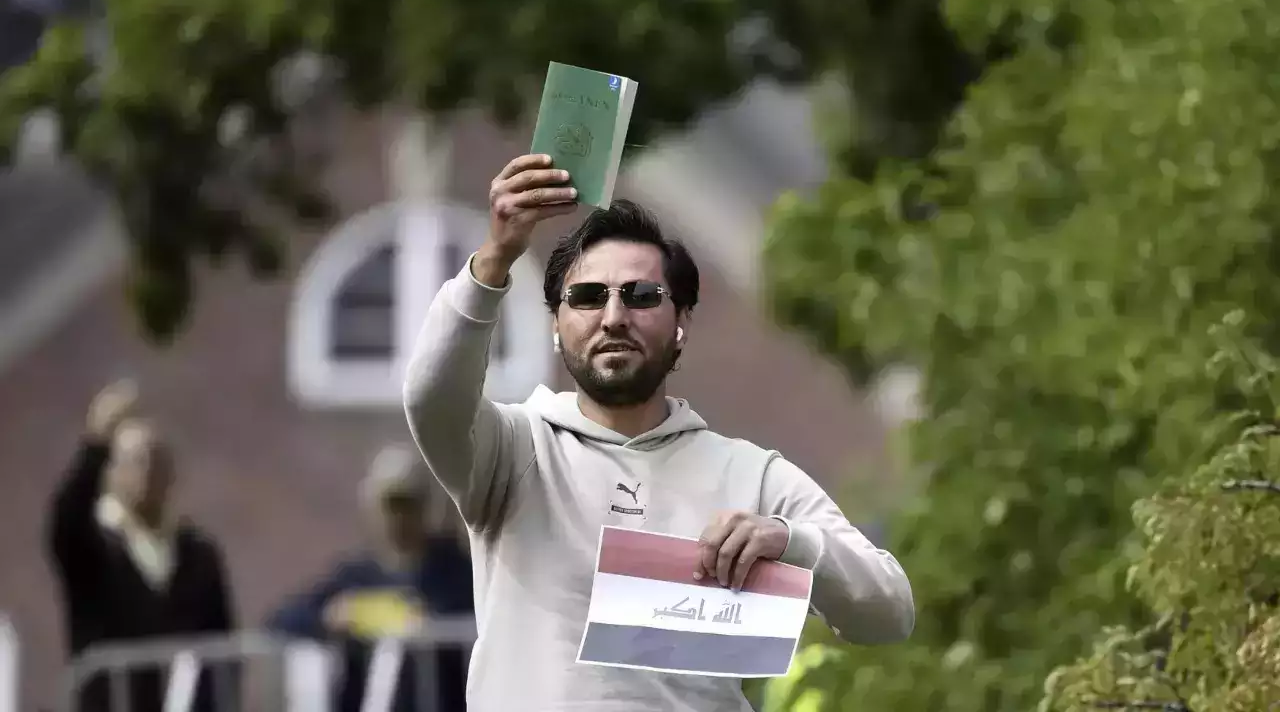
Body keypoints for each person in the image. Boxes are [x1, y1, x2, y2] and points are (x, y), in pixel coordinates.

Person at [403, 154, 916, 711]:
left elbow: (889, 611)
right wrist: (494, 259)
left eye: (642, 295)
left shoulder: (751, 475)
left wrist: (791, 542)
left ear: (681, 324)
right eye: (588, 296)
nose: (613, 316)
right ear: (555, 324)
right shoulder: (511, 450)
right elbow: (430, 396)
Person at [46, 381, 238, 712]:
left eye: (156, 460)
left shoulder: (197, 554)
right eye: (135, 461)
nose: (147, 473)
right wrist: (95, 443)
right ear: (110, 471)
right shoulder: (96, 548)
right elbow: (65, 523)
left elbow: (222, 647)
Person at [268, 445, 473, 712]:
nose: (399, 517)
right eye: (390, 505)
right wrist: (332, 616)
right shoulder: (356, 576)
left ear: (424, 507)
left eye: (407, 504)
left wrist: (428, 621)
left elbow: (478, 617)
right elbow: (282, 620)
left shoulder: (455, 570)